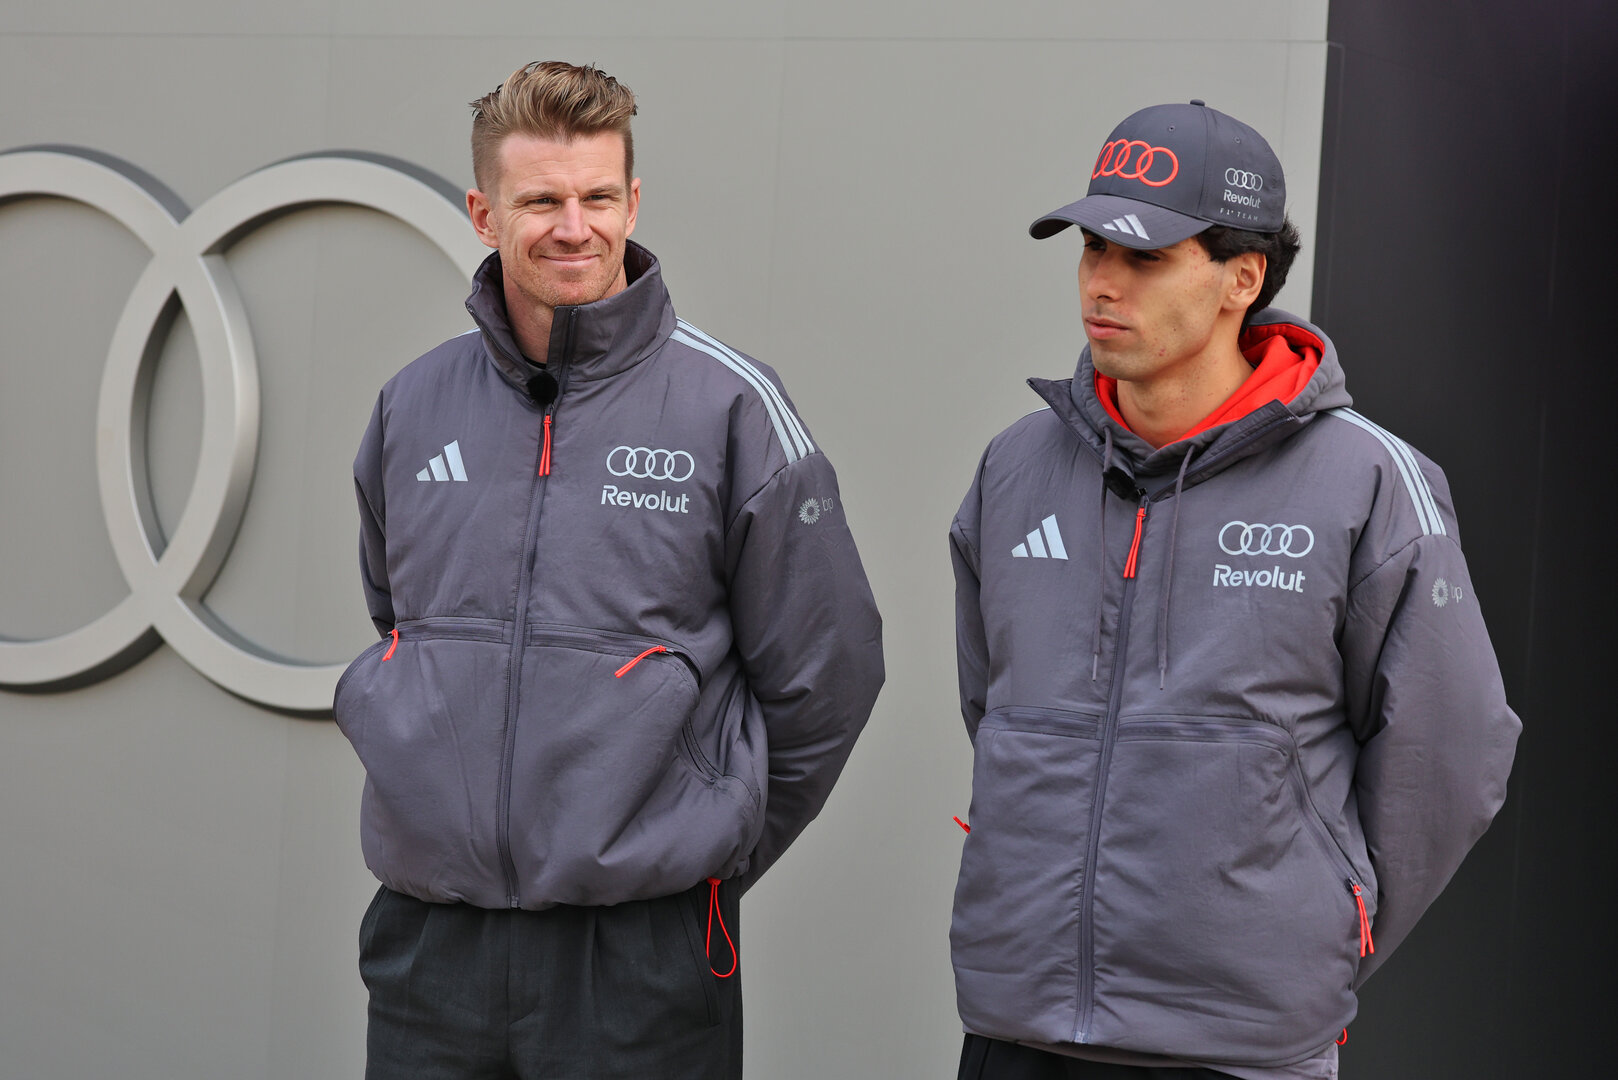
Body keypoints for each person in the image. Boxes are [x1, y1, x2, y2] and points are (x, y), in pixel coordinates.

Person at [333, 60, 884, 1080]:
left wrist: (704, 851)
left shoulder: (729, 408)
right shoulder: (412, 406)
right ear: (483, 212)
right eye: (539, 199)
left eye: (596, 197)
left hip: (641, 951)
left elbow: (829, 674)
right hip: (430, 943)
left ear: (632, 202)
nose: (571, 227)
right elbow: (396, 626)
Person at [947, 101, 1519, 1079]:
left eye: (1145, 258)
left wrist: (1314, 931)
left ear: (1240, 279)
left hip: (1239, 1049)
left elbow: (1452, 753)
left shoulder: (1368, 480)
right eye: (1092, 248)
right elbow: (992, 704)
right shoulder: (1014, 469)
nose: (1101, 283)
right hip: (1019, 1028)